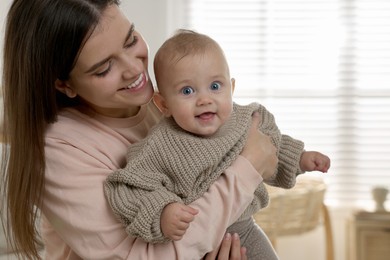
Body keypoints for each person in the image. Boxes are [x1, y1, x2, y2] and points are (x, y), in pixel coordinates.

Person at [0, 1, 279, 260]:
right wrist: (248, 168)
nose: (135, 69)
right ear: (65, 85)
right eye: (104, 68)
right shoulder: (59, 151)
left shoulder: (163, 105)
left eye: (131, 40)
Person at [104, 30, 331, 259]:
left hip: (243, 231)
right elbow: (131, 187)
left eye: (215, 86)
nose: (205, 100)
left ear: (231, 89)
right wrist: (163, 211)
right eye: (187, 91)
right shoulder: (160, 145)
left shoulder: (245, 121)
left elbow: (272, 148)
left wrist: (301, 158)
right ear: (163, 104)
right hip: (191, 244)